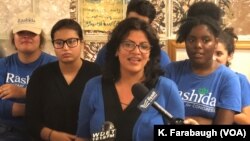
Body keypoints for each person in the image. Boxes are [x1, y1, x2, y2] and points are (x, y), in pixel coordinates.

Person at [76, 18, 184, 141]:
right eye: (128, 44)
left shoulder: (166, 88)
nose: (136, 51)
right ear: (116, 49)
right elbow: (82, 137)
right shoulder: (94, 86)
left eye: (144, 46)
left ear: (150, 54)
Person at [25, 19, 101, 141]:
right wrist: (51, 135)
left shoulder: (97, 74)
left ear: (82, 44)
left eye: (71, 41)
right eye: (59, 43)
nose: (65, 48)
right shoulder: (41, 75)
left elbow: (107, 117)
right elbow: (31, 119)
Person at [164, 15, 241, 125]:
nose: (198, 45)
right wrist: (207, 121)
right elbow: (158, 116)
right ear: (185, 42)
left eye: (206, 40)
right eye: (191, 40)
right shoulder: (171, 71)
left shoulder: (229, 79)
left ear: (215, 43)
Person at [0, 11, 56, 141]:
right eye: (21, 33)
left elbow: (59, 103)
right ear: (13, 38)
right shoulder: (3, 64)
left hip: (44, 131)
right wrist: (37, 109)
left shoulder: (54, 64)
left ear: (40, 38)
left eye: (31, 33)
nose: (26, 36)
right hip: (7, 131)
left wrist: (23, 92)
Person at [95, 0, 171, 69]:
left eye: (142, 25)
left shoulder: (162, 59)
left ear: (150, 27)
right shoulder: (106, 52)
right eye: (131, 22)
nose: (135, 28)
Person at [214, 27, 250, 124]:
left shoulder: (240, 80)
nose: (213, 58)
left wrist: (217, 116)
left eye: (219, 54)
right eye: (211, 53)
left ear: (229, 56)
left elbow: (247, 119)